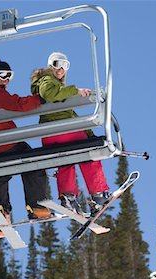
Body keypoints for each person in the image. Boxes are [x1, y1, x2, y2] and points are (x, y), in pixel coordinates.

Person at [0, 56, 51, 222]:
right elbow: (18, 104)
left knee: (1, 173)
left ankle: (0, 208)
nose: (6, 79)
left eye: (9, 75)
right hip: (4, 145)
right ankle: (36, 205)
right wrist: (40, 99)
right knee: (33, 161)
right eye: (3, 74)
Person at [30, 52, 111, 216]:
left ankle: (68, 197)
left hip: (52, 134)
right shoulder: (47, 81)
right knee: (90, 155)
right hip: (62, 130)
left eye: (65, 65)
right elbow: (49, 94)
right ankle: (98, 194)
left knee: (66, 161)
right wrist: (75, 90)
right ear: (50, 65)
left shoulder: (57, 89)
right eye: (57, 64)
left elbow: (69, 113)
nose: (61, 69)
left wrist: (88, 133)